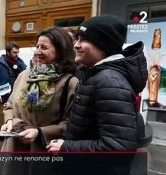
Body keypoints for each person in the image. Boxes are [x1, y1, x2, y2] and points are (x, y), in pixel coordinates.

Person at [46, 15, 148, 175]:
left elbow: (118, 148)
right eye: (77, 39)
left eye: (84, 40)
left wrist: (67, 147)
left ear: (104, 45)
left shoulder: (109, 81)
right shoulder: (94, 74)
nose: (76, 45)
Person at [0, 27, 78, 175]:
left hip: (43, 152)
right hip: (14, 148)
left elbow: (70, 124)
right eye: (37, 46)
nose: (37, 51)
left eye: (44, 47)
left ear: (60, 51)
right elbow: (9, 105)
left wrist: (39, 132)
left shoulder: (70, 82)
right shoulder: (24, 75)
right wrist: (8, 122)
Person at [0, 41, 27, 150]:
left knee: (11, 125)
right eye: (14, 52)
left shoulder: (19, 62)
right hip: (1, 99)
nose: (17, 54)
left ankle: (7, 148)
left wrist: (19, 64)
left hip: (15, 99)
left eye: (18, 52)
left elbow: (26, 72)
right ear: (8, 52)